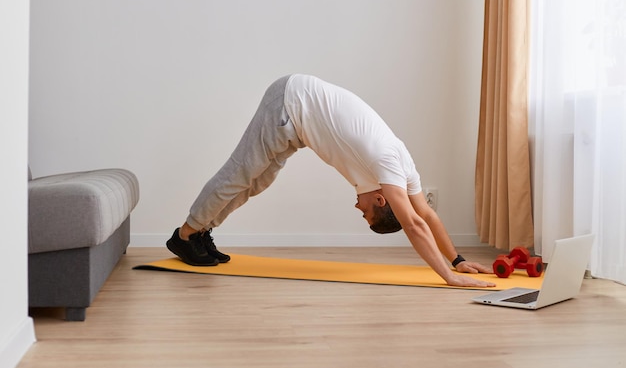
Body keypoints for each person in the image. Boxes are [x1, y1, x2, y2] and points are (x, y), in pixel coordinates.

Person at [166, 74, 495, 288]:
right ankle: (185, 235)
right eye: (364, 212)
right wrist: (450, 278)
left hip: (296, 124)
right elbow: (414, 224)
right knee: (239, 175)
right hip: (289, 103)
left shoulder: (401, 169)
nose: (357, 205)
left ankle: (201, 231)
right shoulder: (388, 165)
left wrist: (459, 260)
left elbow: (427, 215)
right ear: (382, 200)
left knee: (255, 182)